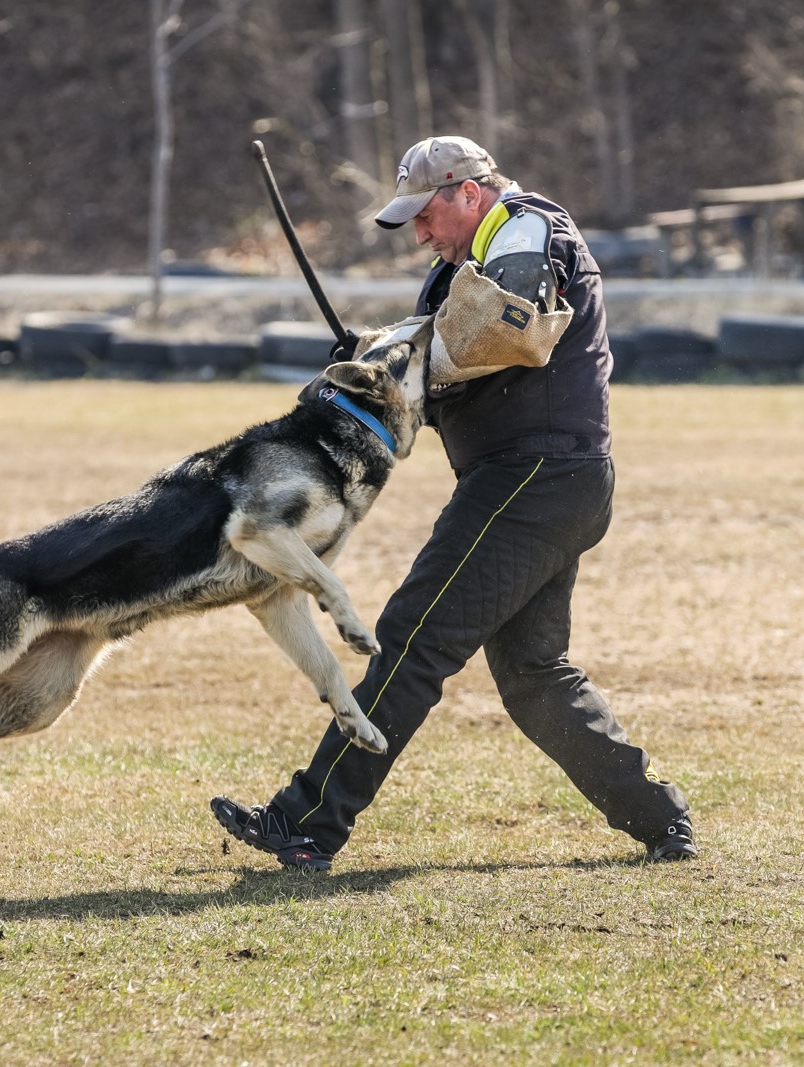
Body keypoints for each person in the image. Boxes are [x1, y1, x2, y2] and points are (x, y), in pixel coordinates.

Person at [211, 135, 696, 870]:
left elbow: (503, 328)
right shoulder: (453, 273)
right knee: (533, 674)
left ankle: (306, 821)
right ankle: (661, 818)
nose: (420, 233)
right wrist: (371, 362)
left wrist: (395, 360)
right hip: (544, 483)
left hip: (533, 478)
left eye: (427, 215)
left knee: (412, 637)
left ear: (468, 192)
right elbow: (435, 367)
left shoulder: (527, 228)